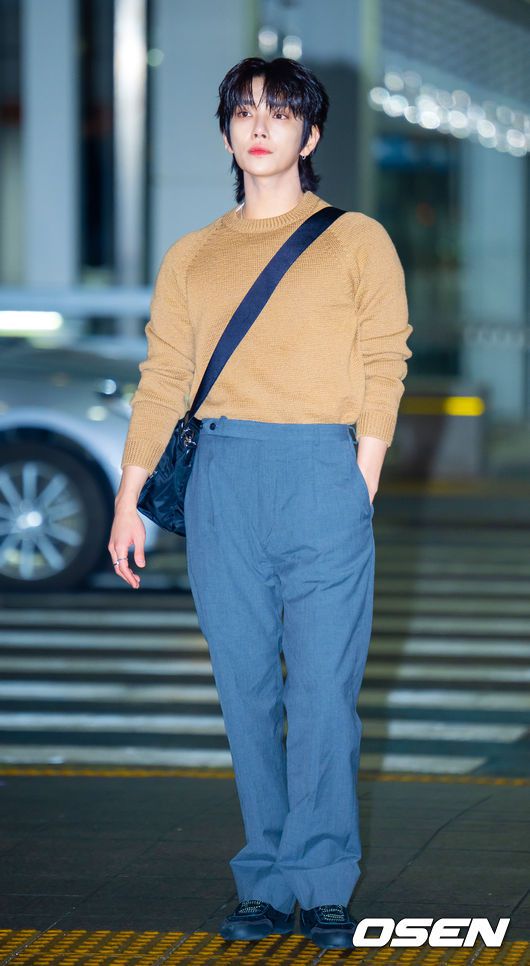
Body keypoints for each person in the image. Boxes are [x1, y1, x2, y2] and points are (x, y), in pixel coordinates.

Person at [109, 56, 413, 951]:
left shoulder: (357, 240)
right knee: (245, 691)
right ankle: (267, 880)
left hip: (321, 471)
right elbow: (163, 378)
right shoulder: (192, 255)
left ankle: (323, 878)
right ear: (227, 133)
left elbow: (385, 360)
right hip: (222, 479)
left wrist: (360, 479)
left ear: (310, 135)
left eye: (280, 113)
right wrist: (129, 497)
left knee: (322, 693)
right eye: (244, 112)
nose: (260, 126)